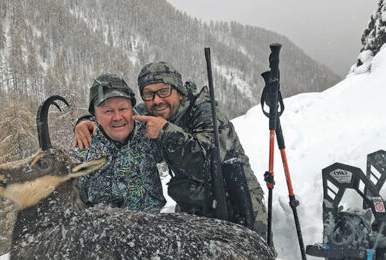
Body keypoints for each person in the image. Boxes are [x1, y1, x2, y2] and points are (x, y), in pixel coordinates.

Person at [73, 63, 267, 239]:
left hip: (235, 195)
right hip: (194, 202)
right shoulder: (150, 114)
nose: (157, 100)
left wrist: (166, 131)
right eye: (149, 94)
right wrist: (84, 123)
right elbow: (117, 114)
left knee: (252, 247)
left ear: (179, 91)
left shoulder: (204, 112)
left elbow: (207, 165)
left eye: (164, 91)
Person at [70, 73, 166, 212]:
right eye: (108, 111)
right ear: (95, 116)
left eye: (123, 109)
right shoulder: (82, 150)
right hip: (105, 231)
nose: (117, 117)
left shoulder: (151, 133)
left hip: (153, 226)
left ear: (132, 109)